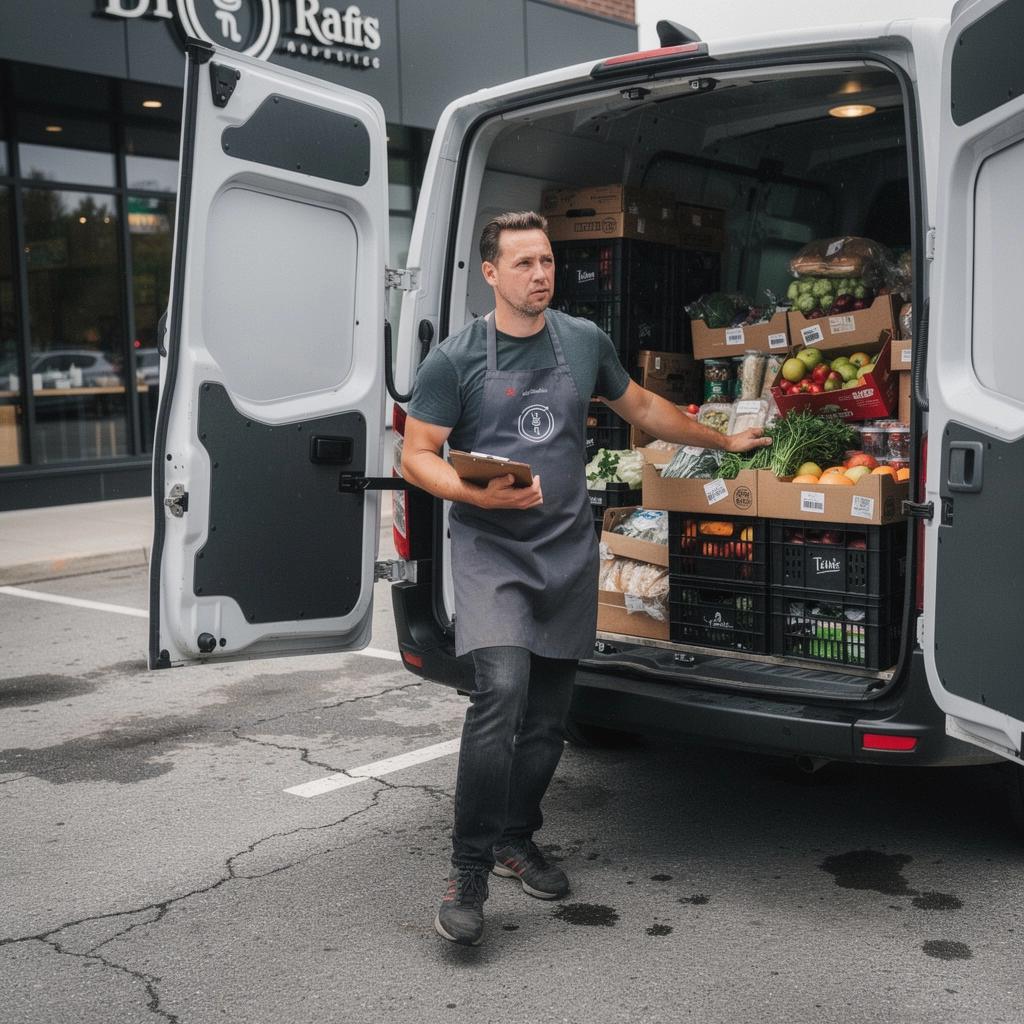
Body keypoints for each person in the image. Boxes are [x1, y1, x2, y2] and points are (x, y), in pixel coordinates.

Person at [401, 211, 770, 946]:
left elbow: (642, 407)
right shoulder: (455, 358)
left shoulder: (582, 341)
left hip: (567, 552)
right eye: (525, 263)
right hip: (492, 552)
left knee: (545, 724)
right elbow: (417, 453)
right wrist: (474, 494)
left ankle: (515, 837)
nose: (541, 274)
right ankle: (467, 869)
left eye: (547, 261)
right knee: (501, 693)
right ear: (491, 274)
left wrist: (722, 438)